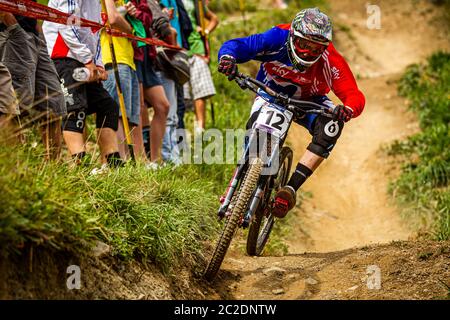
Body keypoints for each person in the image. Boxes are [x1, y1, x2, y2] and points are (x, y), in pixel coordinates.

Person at [218, 8, 365, 218]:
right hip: (270, 93)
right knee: (253, 131)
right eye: (304, 44)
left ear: (324, 48)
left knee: (332, 127)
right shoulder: (278, 37)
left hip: (308, 102)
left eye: (316, 49)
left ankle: (291, 189)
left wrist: (347, 109)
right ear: (293, 36)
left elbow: (354, 94)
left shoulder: (330, 59)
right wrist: (228, 58)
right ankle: (237, 184)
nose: (308, 52)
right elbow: (240, 45)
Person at [43, 0, 122, 168]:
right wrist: (87, 59)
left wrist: (98, 64)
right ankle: (82, 170)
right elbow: (66, 22)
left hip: (84, 60)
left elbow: (95, 31)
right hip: (63, 55)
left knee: (108, 107)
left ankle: (114, 166)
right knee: (75, 110)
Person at [0, 7, 66, 160]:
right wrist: (11, 24)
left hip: (34, 35)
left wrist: (38, 32)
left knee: (54, 104)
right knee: (17, 105)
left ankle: (52, 169)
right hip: (11, 32)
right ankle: (15, 165)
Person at [101, 0, 145, 161]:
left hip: (127, 59)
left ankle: (128, 159)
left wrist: (129, 12)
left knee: (130, 116)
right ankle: (120, 159)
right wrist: (131, 29)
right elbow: (113, 19)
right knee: (118, 113)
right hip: (113, 58)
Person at [181, 0, 218, 133]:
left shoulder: (195, 2)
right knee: (182, 94)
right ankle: (183, 128)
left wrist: (206, 31)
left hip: (197, 48)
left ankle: (200, 128)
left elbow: (214, 18)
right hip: (179, 48)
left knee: (200, 90)